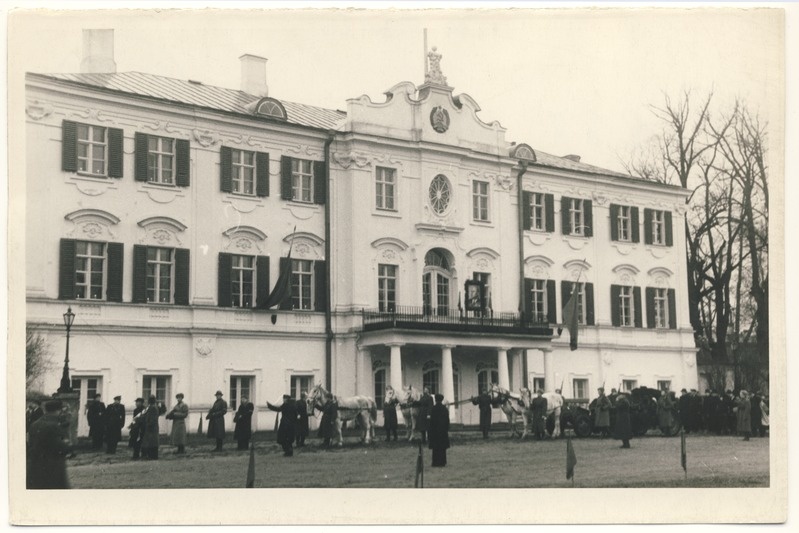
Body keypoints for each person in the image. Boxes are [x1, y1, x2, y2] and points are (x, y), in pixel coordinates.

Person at [27, 399, 72, 489]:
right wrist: (68, 446)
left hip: (34, 464)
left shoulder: (35, 424)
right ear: (58, 410)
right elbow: (60, 446)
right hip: (52, 466)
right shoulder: (54, 425)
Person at [428, 393, 450, 467]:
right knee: (442, 448)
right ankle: (443, 462)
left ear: (436, 400)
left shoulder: (433, 409)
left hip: (435, 431)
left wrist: (430, 430)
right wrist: (446, 429)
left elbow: (431, 421)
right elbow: (447, 420)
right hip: (443, 431)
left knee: (435, 448)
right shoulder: (444, 409)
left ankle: (435, 462)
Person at [140, 395, 161, 459]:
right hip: (152, 427)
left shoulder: (153, 408)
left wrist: (148, 424)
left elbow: (153, 418)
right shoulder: (152, 407)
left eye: (150, 400)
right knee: (151, 442)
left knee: (152, 442)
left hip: (152, 427)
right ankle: (151, 455)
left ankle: (153, 456)